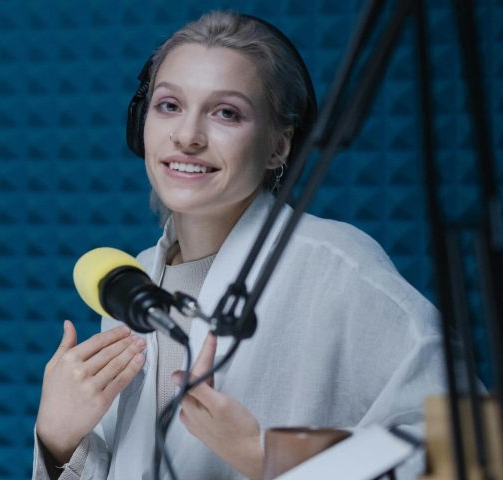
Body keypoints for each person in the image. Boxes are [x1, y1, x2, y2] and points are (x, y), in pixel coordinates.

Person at [33, 11, 445, 479]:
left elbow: (464, 450)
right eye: (169, 106)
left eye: (226, 113)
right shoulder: (132, 283)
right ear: (139, 125)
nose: (188, 136)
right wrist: (60, 440)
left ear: (278, 147)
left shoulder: (338, 268)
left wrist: (260, 453)